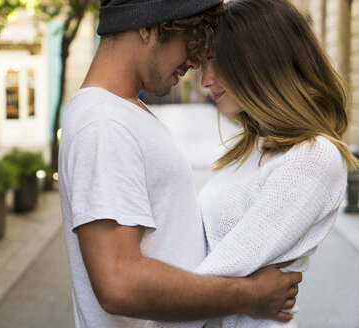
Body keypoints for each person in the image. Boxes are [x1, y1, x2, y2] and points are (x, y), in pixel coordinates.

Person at [58, 1, 302, 327]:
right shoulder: (104, 123)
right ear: (147, 26)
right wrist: (252, 295)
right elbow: (119, 283)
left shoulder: (122, 114)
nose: (196, 61)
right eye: (191, 41)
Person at [196, 0, 359, 327]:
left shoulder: (314, 156)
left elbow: (223, 270)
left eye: (215, 61)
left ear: (260, 59)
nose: (205, 80)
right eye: (202, 63)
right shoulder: (254, 148)